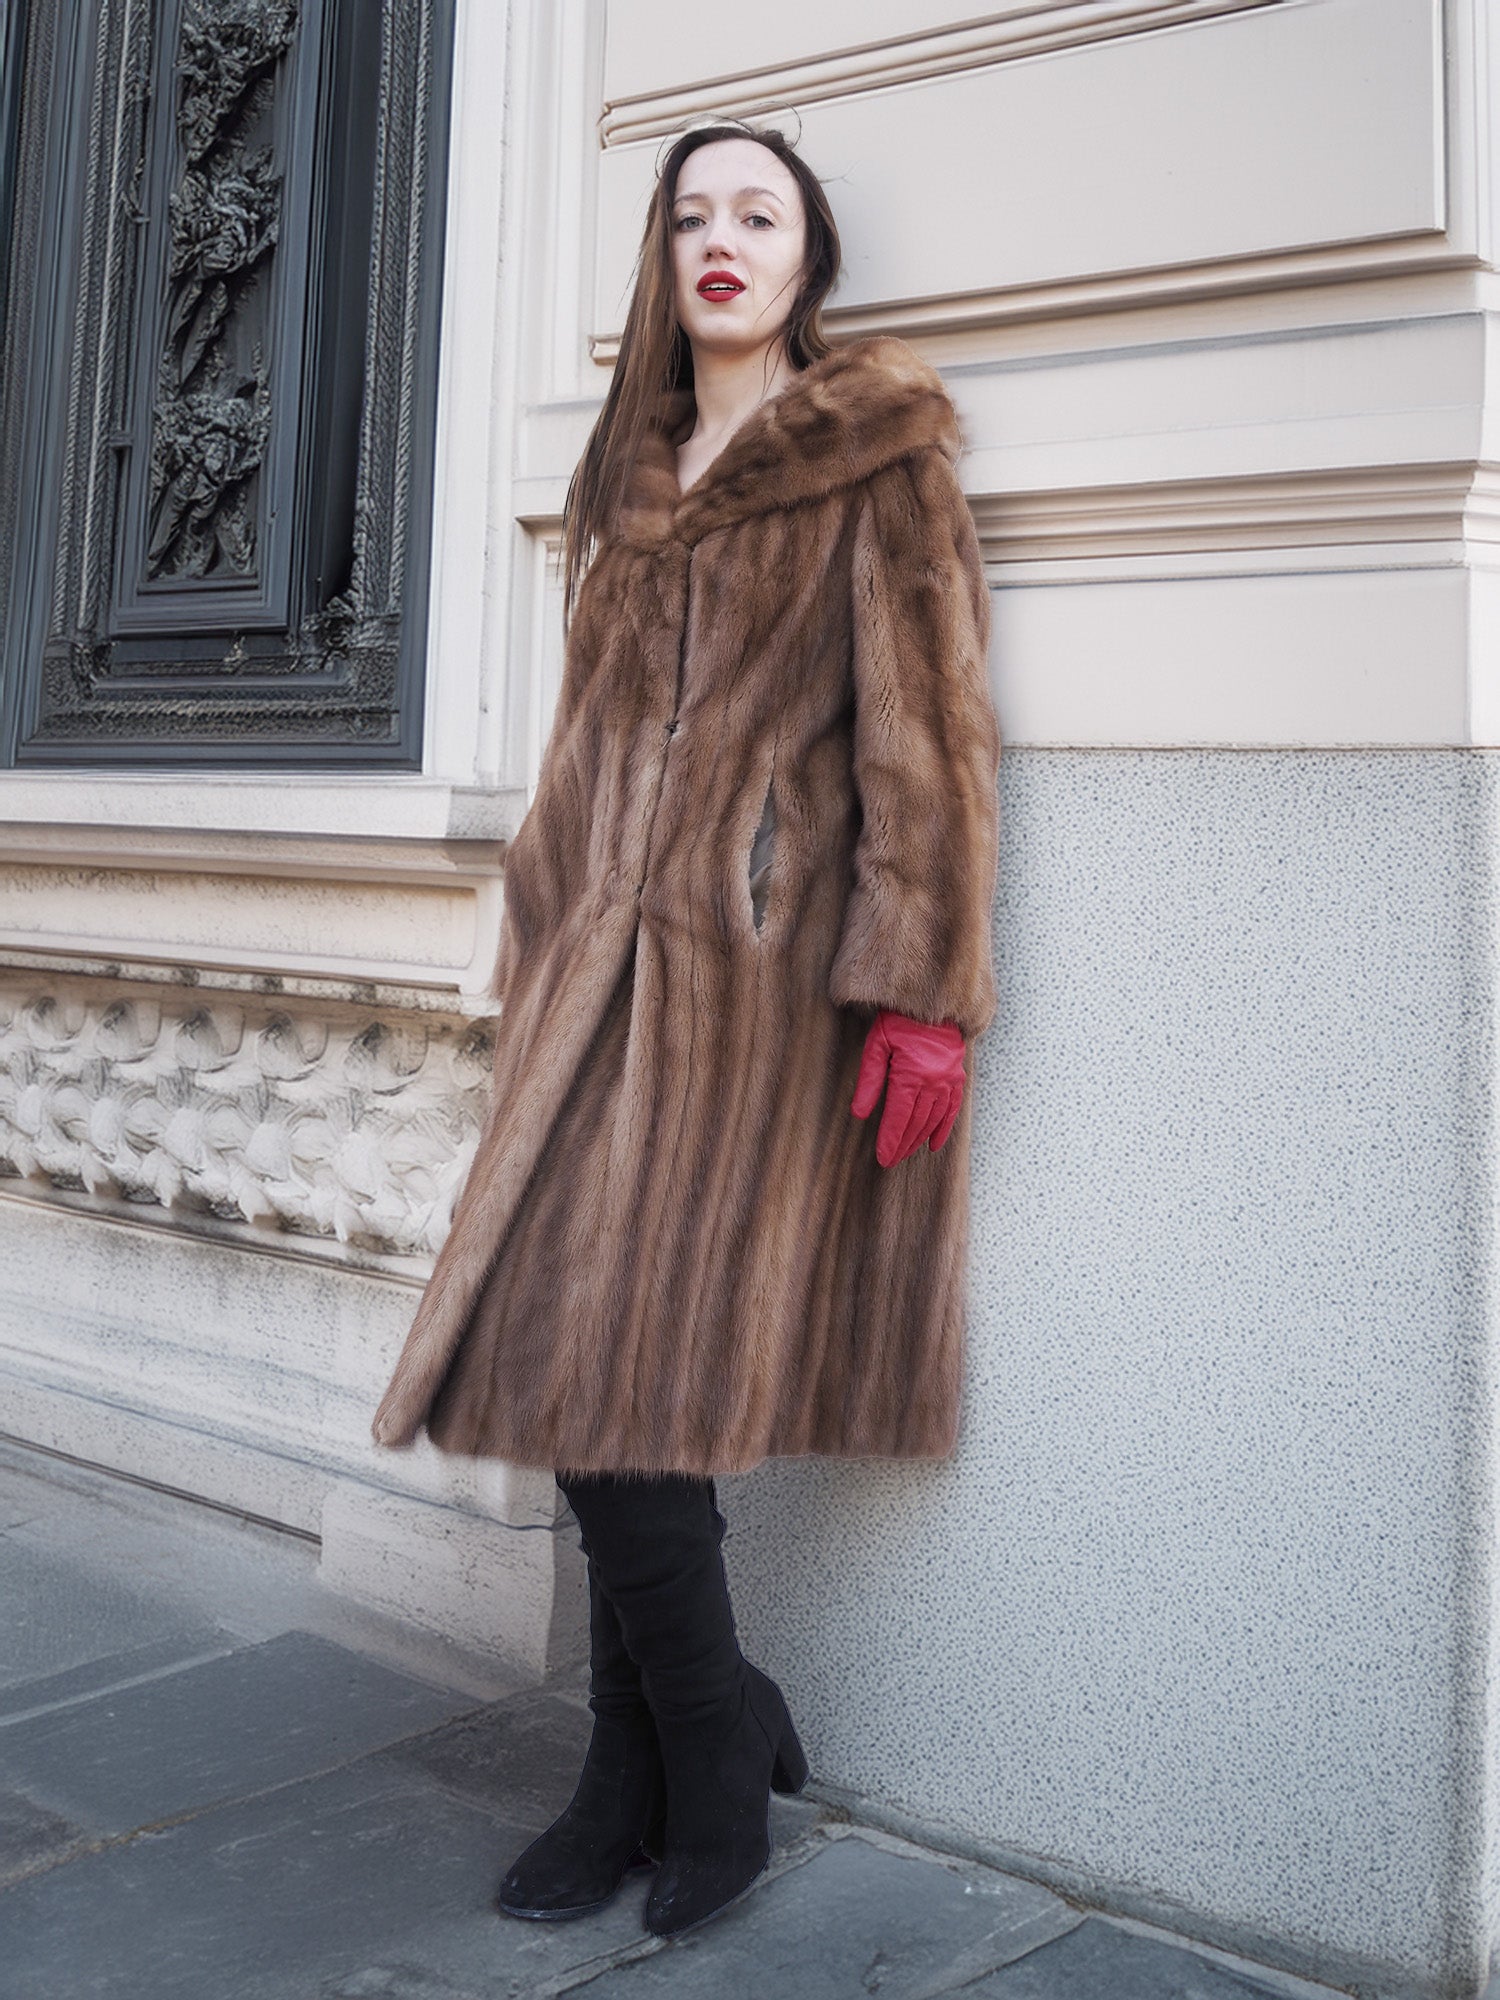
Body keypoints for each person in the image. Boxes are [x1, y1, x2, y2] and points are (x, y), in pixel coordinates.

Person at [369, 121, 1001, 1940]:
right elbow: (587, 742)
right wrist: (541, 918)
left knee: (626, 1385)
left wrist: (925, 993)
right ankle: (689, 1742)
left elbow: (932, 741)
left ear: (809, 258)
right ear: (663, 256)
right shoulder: (628, 468)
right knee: (586, 1372)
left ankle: (675, 1760)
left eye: (760, 214)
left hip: (755, 993)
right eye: (692, 216)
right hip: (589, 984)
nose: (722, 240)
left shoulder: (872, 455)